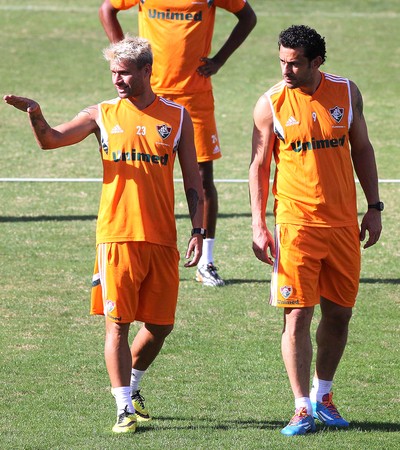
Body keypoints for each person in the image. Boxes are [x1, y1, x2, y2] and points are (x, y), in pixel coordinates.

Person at [4, 36, 205, 434]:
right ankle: (122, 409)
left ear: (147, 71)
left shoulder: (177, 117)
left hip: (162, 238)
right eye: (113, 72)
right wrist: (36, 115)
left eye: (125, 72)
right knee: (118, 323)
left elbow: (193, 181)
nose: (117, 80)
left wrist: (199, 230)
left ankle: (132, 387)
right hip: (115, 236)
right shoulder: (102, 114)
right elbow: (52, 140)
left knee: (162, 325)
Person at [249, 25, 382, 436]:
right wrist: (258, 223)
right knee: (297, 316)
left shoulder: (346, 93)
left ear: (317, 62)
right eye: (282, 62)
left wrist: (374, 207)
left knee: (339, 315)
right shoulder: (270, 103)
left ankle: (324, 395)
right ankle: (300, 406)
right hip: (295, 225)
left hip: (343, 224)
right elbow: (259, 166)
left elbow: (361, 148)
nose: (286, 70)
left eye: (295, 64)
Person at [99, 0, 257, 287]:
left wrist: (219, 59)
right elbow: (107, 8)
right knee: (137, 172)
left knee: (202, 178)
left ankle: (206, 261)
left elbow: (247, 17)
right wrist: (122, 55)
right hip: (148, 95)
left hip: (194, 97)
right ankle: (120, 254)